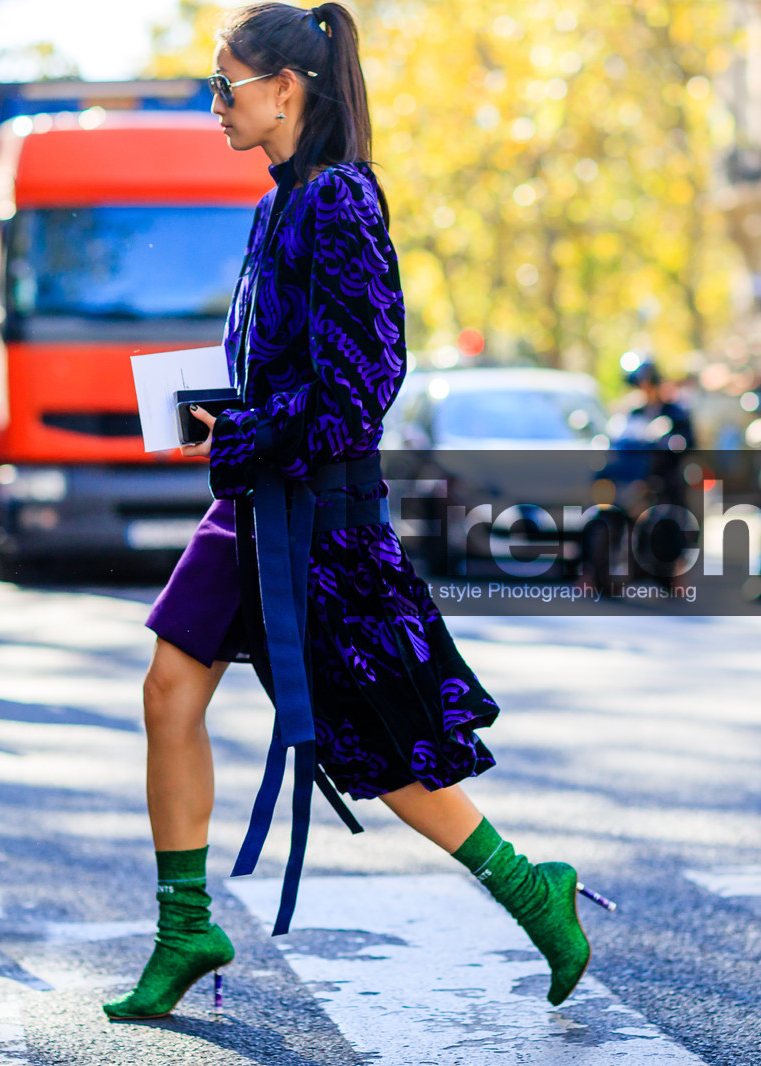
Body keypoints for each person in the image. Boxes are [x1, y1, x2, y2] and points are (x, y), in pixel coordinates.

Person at [104, 1, 606, 1023]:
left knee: (379, 746)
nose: (214, 107)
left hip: (317, 522)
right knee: (167, 690)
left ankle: (532, 891)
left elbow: (365, 381)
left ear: (284, 90)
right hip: (256, 505)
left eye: (225, 86)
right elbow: (298, 370)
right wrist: (229, 407)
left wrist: (247, 432)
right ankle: (184, 925)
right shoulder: (278, 203)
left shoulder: (337, 200)